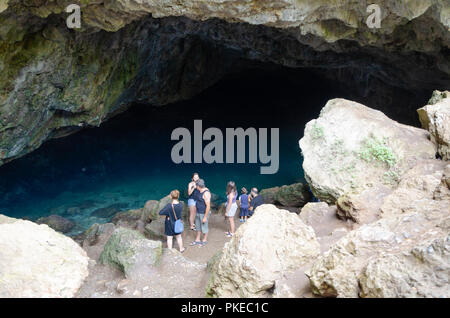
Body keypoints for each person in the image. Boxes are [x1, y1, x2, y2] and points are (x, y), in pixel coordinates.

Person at [190, 179, 211, 247]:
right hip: (198, 212)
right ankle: (197, 239)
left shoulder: (206, 193)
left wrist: (205, 217)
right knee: (198, 226)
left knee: (204, 227)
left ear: (199, 186)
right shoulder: (199, 190)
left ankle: (204, 240)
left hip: (203, 213)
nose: (196, 187)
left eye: (196, 186)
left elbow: (208, 206)